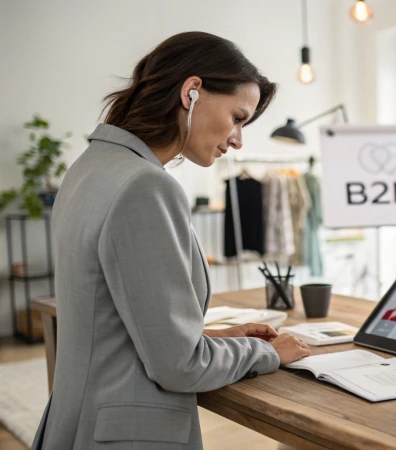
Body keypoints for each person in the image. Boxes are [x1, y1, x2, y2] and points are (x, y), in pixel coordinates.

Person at [31, 32, 311, 450]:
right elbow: (180, 368)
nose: (238, 139)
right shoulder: (145, 186)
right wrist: (268, 353)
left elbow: (113, 324)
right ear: (192, 92)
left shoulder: (89, 166)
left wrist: (219, 341)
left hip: (75, 419)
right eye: (237, 117)